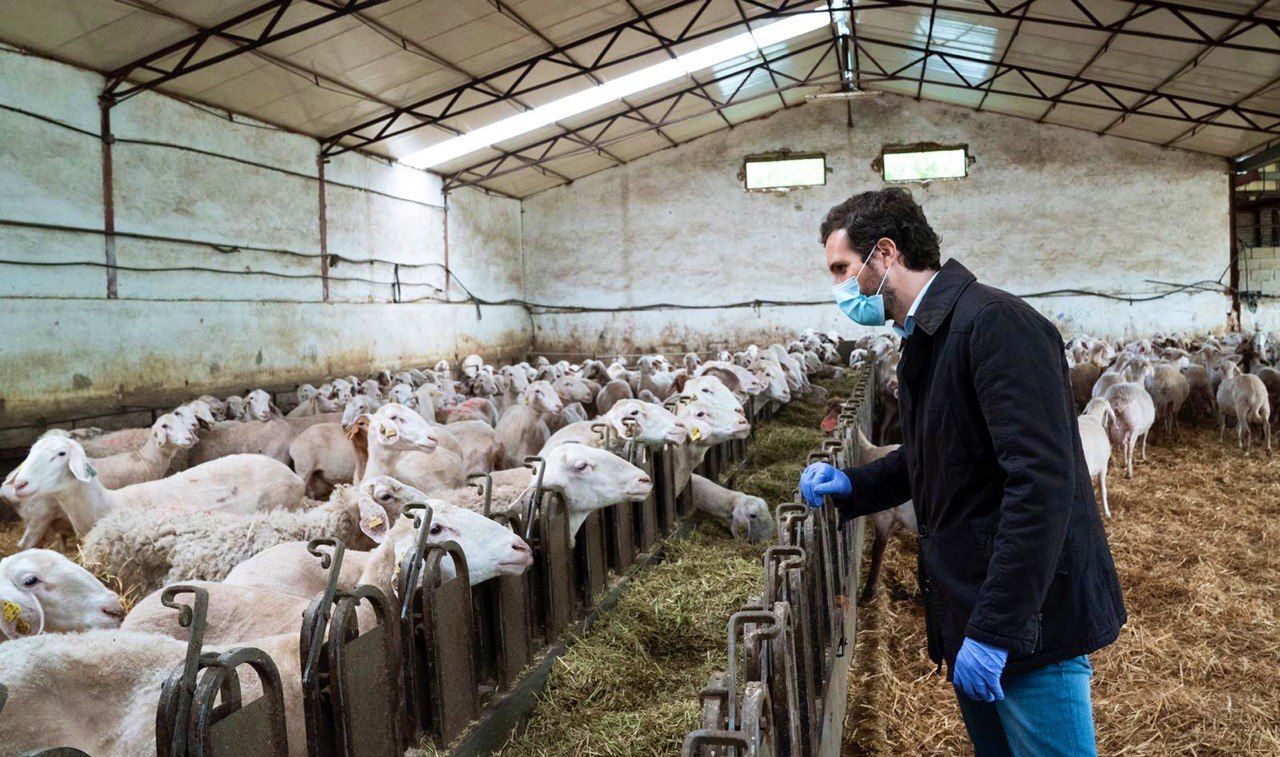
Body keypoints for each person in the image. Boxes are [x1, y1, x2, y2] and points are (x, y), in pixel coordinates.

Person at [802, 188, 1125, 756]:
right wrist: (856, 484)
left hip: (1029, 626)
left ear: (884, 255)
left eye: (842, 269)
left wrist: (997, 629)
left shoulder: (996, 326)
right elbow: (937, 453)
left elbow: (1042, 483)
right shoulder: (930, 337)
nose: (837, 288)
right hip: (976, 614)